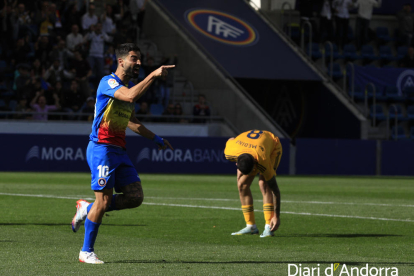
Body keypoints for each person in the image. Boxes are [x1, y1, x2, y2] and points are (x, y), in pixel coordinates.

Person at [70, 43, 175, 264]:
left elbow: (132, 122)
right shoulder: (108, 83)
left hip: (119, 151)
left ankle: (86, 208)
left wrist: (156, 139)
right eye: (134, 59)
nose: (138, 63)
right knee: (105, 199)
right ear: (121, 61)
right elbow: (128, 97)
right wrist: (154, 75)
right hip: (102, 149)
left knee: (135, 197)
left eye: (139, 59)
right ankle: (86, 252)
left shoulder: (127, 88)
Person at [224, 130, 282, 238]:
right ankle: (251, 226)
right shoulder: (230, 152)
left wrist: (277, 216)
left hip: (272, 146)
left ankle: (269, 226)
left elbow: (275, 190)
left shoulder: (263, 160)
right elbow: (231, 139)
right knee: (242, 184)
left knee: (264, 184)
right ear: (236, 162)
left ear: (255, 164)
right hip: (248, 146)